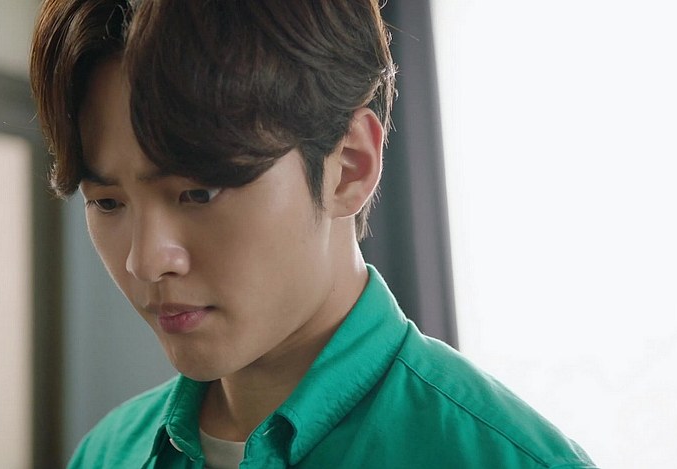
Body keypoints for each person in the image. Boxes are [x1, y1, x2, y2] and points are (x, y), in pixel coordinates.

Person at [30, 1, 598, 467]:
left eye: (198, 193)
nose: (146, 260)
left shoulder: (503, 459)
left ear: (349, 166)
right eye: (108, 202)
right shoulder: (107, 454)